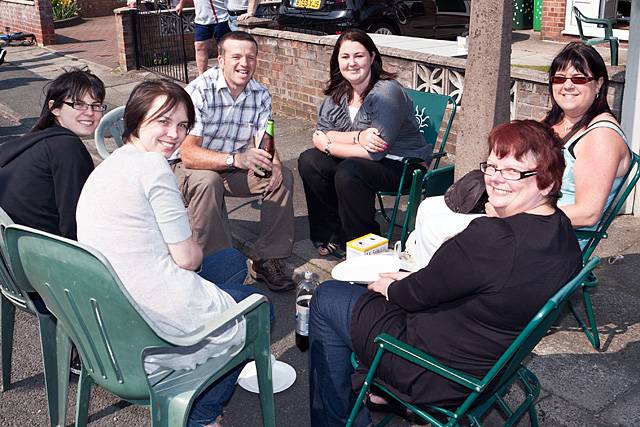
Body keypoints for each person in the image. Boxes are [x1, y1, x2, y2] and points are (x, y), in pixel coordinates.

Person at [307, 120, 582, 427]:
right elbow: (454, 281)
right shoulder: (563, 233)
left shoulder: (492, 238)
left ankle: (338, 419)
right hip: (487, 365)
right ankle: (371, 388)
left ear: (546, 183)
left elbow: (414, 294)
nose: (494, 179)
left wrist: (390, 286)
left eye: (512, 172)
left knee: (327, 297)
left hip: (433, 370)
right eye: (491, 167)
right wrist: (408, 282)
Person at [76, 79, 272, 427]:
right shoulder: (154, 168)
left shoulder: (106, 167)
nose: (175, 134)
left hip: (109, 311)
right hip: (149, 326)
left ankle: (208, 368)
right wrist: (184, 243)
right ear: (136, 121)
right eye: (163, 121)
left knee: (230, 260)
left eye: (182, 125)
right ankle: (202, 413)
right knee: (262, 310)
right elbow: (188, 260)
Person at [413, 42, 632, 267]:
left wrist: (511, 213)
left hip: (553, 239)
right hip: (527, 214)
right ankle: (431, 284)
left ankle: (433, 292)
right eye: (559, 78)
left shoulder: (601, 137)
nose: (567, 86)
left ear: (598, 84)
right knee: (428, 207)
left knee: (435, 229)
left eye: (578, 78)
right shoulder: (555, 122)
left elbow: (588, 214)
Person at [171, 31, 295, 292]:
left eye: (251, 57)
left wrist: (274, 165)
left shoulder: (260, 94)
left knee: (282, 177)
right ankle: (216, 265)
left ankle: (267, 258)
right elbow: (188, 154)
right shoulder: (199, 92)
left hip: (234, 166)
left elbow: (266, 139)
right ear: (221, 59)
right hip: (190, 167)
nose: (244, 63)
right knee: (208, 180)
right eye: (236, 56)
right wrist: (236, 159)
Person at [297, 29, 429, 257]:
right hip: (360, 158)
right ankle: (332, 232)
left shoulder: (386, 93)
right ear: (337, 60)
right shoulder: (338, 93)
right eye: (345, 57)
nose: (352, 63)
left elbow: (374, 152)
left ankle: (365, 244)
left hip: (403, 164)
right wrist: (357, 136)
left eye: (359, 56)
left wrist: (328, 145)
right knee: (310, 160)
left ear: (372, 57)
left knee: (349, 171)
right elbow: (322, 130)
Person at [0, 67, 105, 240]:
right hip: (42, 252)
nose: (90, 112)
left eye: (96, 105)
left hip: (15, 246)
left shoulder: (37, 139)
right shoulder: (66, 148)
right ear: (54, 107)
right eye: (78, 104)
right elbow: (76, 221)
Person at [176, 0, 231, 75]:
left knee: (222, 48)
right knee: (199, 46)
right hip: (201, 20)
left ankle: (224, 73)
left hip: (220, 18)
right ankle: (202, 76)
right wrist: (181, 4)